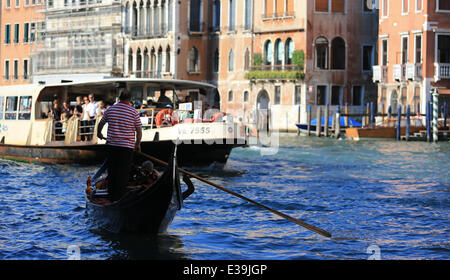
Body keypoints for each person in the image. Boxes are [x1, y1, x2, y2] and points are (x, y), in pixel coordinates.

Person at [97, 89, 142, 202]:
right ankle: (119, 198)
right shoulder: (133, 112)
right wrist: (137, 144)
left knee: (112, 171)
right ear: (130, 99)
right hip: (127, 147)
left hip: (112, 145)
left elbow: (101, 123)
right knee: (123, 173)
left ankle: (111, 197)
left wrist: (99, 133)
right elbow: (139, 131)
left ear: (120, 98)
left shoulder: (111, 109)